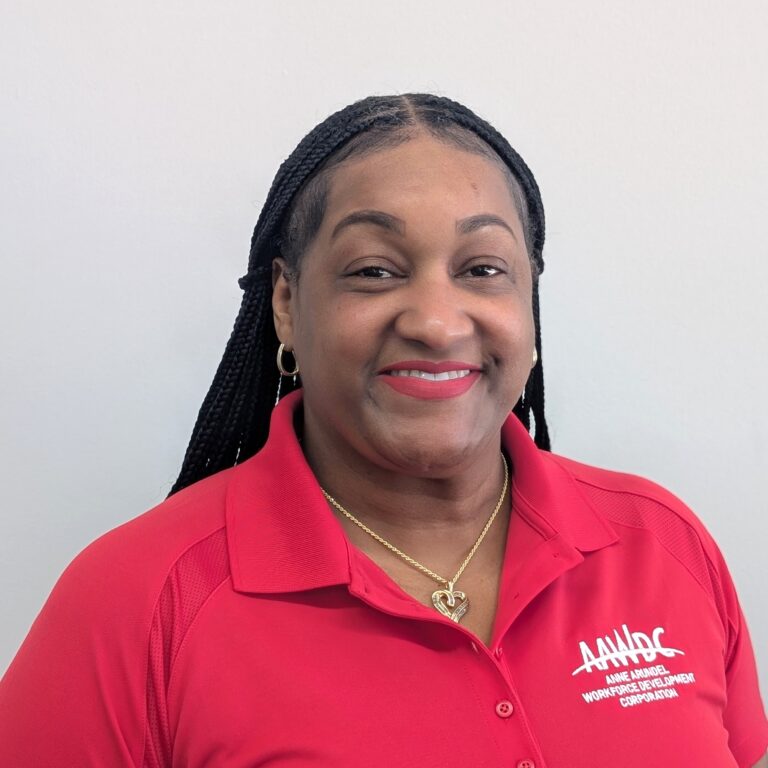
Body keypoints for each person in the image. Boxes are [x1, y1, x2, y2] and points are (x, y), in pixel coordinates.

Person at [0, 94, 765, 767]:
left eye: (482, 269)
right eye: (374, 270)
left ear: (530, 301)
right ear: (288, 304)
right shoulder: (135, 601)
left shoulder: (663, 543)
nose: (436, 322)